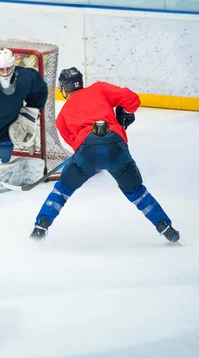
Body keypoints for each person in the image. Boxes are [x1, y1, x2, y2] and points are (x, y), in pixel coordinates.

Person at [29, 67, 180, 243]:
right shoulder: (99, 88)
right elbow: (133, 99)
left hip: (87, 151)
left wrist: (90, 155)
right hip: (115, 145)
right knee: (137, 193)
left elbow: (75, 145)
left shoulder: (62, 117)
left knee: (62, 190)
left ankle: (40, 227)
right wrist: (125, 112)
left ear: (63, 89)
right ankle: (166, 227)